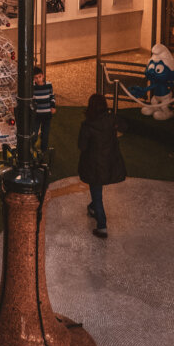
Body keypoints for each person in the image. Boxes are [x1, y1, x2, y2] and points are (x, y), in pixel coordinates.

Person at [78, 93, 128, 239]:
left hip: (93, 164)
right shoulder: (111, 119)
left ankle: (102, 226)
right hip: (109, 161)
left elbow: (82, 145)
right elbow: (125, 126)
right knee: (97, 192)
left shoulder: (87, 125)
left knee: (97, 193)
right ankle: (93, 207)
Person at [32, 66, 56, 154]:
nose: (38, 79)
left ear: (43, 76)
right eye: (35, 78)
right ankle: (31, 148)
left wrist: (53, 107)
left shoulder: (49, 85)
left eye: (39, 77)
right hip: (37, 115)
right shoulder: (32, 87)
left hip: (47, 115)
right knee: (34, 134)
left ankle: (43, 151)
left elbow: (52, 97)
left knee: (45, 135)